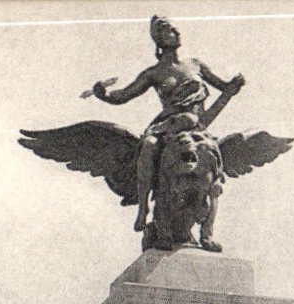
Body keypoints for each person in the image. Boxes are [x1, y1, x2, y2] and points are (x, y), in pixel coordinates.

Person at [91, 16, 244, 241]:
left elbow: (225, 87)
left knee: (213, 162)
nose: (176, 32)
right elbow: (122, 96)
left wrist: (235, 83)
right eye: (168, 30)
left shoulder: (196, 65)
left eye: (175, 28)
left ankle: (207, 231)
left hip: (197, 128)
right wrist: (102, 94)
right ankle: (143, 207)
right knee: (149, 145)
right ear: (159, 39)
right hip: (168, 128)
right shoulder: (153, 73)